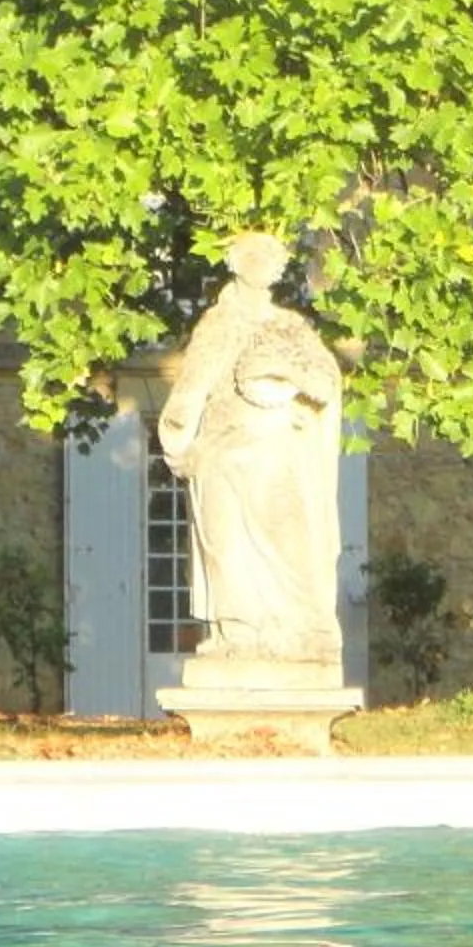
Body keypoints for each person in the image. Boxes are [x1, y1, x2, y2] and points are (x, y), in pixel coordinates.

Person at [155, 233, 345, 665]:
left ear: (278, 270)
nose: (261, 263)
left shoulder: (290, 327)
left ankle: (304, 631)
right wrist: (178, 439)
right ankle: (238, 633)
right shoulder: (217, 325)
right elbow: (192, 387)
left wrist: (286, 372)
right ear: (235, 263)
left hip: (277, 451)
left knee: (289, 538)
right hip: (221, 451)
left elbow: (325, 382)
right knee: (226, 543)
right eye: (252, 255)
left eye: (269, 257)